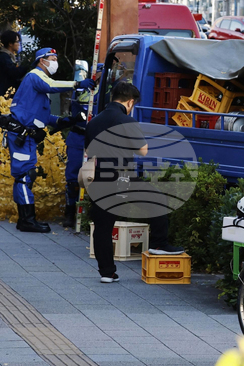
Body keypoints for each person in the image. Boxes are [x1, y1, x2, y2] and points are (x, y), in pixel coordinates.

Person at [85, 81, 184, 283]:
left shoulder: (94, 121)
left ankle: (107, 273)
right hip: (122, 178)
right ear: (130, 102)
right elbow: (143, 150)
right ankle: (158, 244)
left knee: (103, 226)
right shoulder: (126, 121)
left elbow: (88, 151)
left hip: (98, 178)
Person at [6, 48, 95, 232]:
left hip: (25, 136)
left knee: (25, 176)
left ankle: (25, 220)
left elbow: (42, 116)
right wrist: (78, 84)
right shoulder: (36, 76)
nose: (55, 61)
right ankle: (27, 221)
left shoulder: (37, 86)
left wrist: (66, 120)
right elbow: (52, 85)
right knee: (24, 176)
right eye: (52, 58)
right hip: (22, 135)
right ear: (42, 60)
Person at [62, 88, 90, 227]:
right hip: (78, 137)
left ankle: (88, 214)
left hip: (97, 138)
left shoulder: (110, 86)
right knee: (73, 179)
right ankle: (69, 212)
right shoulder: (81, 87)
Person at [0, 30, 30, 99]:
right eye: (17, 41)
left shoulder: (10, 56)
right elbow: (14, 73)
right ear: (10, 43)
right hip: (5, 98)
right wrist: (27, 65)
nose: (19, 44)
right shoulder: (4, 57)